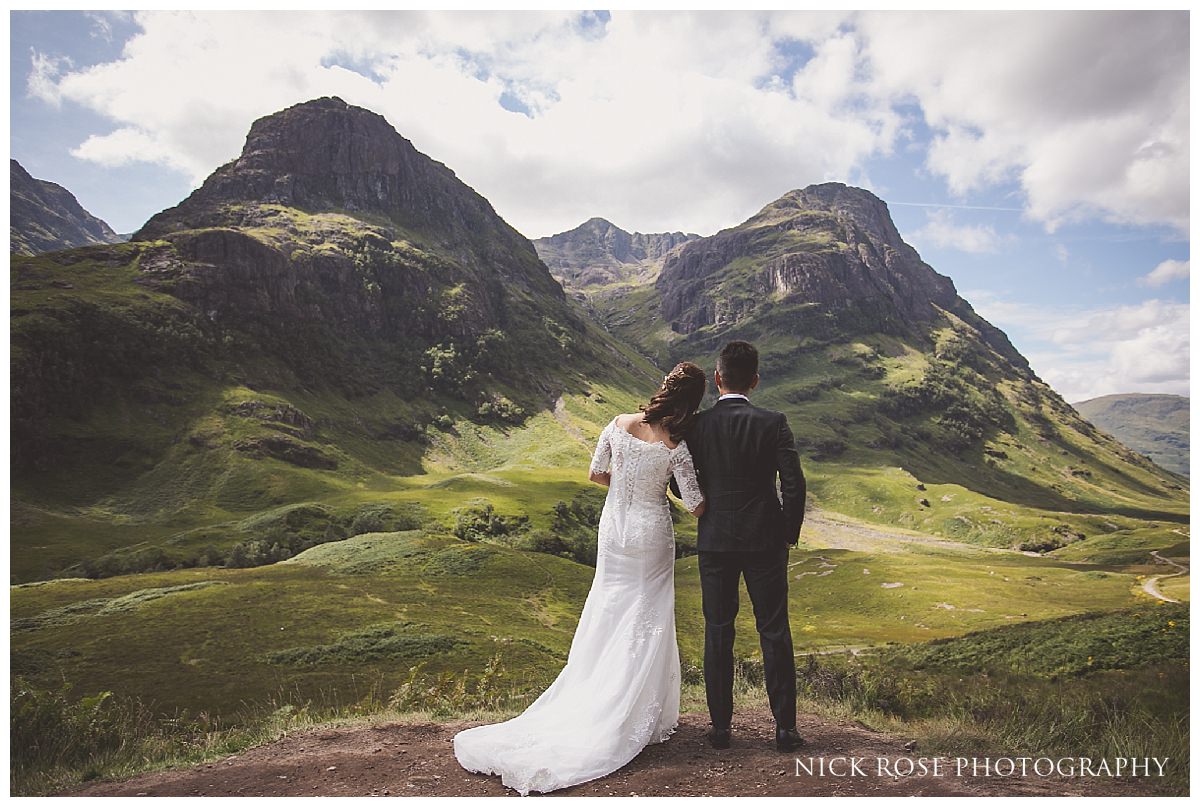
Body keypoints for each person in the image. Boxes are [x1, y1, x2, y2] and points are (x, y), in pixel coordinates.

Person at [453, 362, 707, 795]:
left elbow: (595, 472)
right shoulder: (676, 447)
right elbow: (695, 505)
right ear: (692, 402)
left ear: (664, 389)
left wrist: (625, 486)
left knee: (609, 607)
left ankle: (592, 692)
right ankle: (630, 708)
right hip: (651, 534)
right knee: (647, 615)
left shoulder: (618, 423)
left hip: (614, 529)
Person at [671, 340, 806, 752]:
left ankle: (720, 728)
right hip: (766, 538)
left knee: (718, 629)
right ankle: (785, 730)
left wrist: (703, 504)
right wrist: (787, 531)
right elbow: (794, 482)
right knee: (774, 630)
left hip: (714, 540)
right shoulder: (773, 422)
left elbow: (680, 480)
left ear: (717, 379)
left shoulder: (697, 425)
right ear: (755, 381)